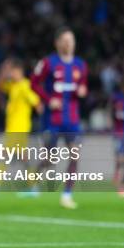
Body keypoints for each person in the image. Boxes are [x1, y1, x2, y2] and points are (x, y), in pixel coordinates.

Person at [31, 27, 87, 209]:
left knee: (75, 155)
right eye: (65, 40)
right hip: (52, 119)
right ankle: (35, 177)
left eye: (72, 40)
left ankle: (67, 194)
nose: (69, 43)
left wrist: (82, 91)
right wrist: (48, 100)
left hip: (72, 119)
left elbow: (82, 87)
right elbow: (33, 83)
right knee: (51, 158)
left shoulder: (81, 65)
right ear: (57, 43)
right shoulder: (48, 62)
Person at [0, 58, 42, 194]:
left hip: (20, 127)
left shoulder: (25, 85)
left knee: (5, 155)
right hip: (13, 127)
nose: (12, 74)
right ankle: (33, 187)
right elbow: (0, 84)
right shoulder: (14, 86)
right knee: (23, 158)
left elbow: (36, 101)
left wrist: (41, 110)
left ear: (19, 71)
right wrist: (4, 71)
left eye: (13, 71)